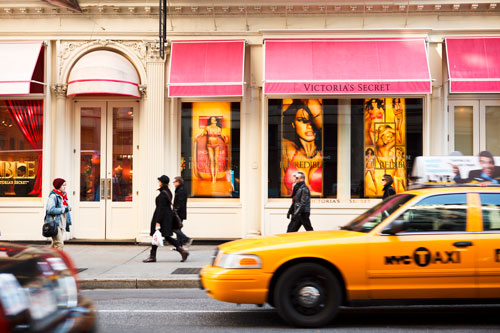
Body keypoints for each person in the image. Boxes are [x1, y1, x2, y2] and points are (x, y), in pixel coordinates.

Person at [282, 99, 323, 196]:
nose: (309, 126)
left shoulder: (325, 152)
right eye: (302, 120)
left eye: (312, 120)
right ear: (293, 124)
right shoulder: (288, 149)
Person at [143, 175, 189, 263]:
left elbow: (161, 209)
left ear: (162, 182)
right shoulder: (167, 192)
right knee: (166, 237)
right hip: (166, 217)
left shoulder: (163, 194)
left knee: (156, 235)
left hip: (162, 218)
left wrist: (158, 221)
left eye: (159, 181)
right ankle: (182, 251)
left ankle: (153, 256)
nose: (158, 183)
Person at [198, 116, 229, 184]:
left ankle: (215, 177)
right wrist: (198, 137)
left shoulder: (218, 129)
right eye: (211, 119)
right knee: (212, 161)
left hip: (217, 145)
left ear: (216, 121)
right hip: (209, 145)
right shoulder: (207, 128)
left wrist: (226, 139)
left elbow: (223, 136)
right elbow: (202, 134)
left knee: (216, 161)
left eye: (213, 119)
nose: (212, 120)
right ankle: (213, 177)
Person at [46, 178, 72, 250]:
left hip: (62, 223)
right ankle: (58, 260)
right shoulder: (53, 196)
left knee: (55, 244)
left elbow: (64, 207)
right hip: (55, 223)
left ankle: (45, 257)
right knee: (59, 244)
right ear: (58, 186)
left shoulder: (63, 196)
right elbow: (50, 210)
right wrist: (64, 209)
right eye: (63, 185)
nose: (65, 187)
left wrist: (68, 208)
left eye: (65, 185)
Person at [172, 176, 193, 247]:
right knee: (178, 228)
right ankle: (179, 246)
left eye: (174, 182)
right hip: (180, 212)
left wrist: (175, 210)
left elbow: (180, 203)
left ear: (178, 182)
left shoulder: (180, 190)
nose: (173, 183)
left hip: (179, 213)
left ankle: (187, 239)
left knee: (175, 228)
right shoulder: (180, 189)